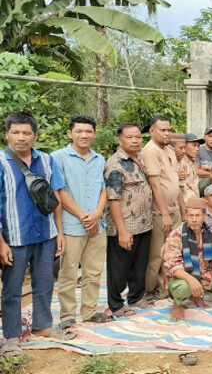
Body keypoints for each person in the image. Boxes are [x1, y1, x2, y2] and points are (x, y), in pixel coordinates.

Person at [0, 112, 66, 355]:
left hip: (46, 233)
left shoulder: (47, 160)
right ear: (7, 135)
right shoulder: (1, 162)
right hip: (14, 237)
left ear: (35, 136)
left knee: (45, 283)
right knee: (12, 288)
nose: (21, 138)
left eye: (26, 133)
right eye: (15, 132)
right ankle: (11, 335)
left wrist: (59, 232)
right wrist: (1, 243)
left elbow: (55, 196)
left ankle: (42, 326)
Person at [52, 115, 109, 328]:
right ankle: (67, 316)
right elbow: (60, 190)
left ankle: (89, 311)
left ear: (94, 134)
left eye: (88, 131)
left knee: (93, 272)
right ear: (70, 134)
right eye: (79, 131)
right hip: (71, 226)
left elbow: (103, 189)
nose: (84, 135)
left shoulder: (99, 159)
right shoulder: (58, 157)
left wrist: (96, 214)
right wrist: (83, 216)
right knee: (68, 273)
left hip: (97, 225)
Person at [104, 123, 154, 318]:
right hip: (125, 226)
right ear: (120, 140)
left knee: (139, 264)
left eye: (137, 137)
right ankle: (116, 304)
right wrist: (122, 231)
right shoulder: (115, 165)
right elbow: (114, 199)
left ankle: (136, 297)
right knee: (119, 268)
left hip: (144, 223)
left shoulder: (139, 158)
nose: (135, 140)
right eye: (130, 137)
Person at [142, 116, 185, 300]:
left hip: (174, 208)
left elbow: (175, 181)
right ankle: (151, 290)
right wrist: (165, 213)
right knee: (157, 254)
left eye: (169, 130)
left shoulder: (168, 149)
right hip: (160, 211)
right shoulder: (150, 151)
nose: (167, 133)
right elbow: (156, 185)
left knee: (173, 251)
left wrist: (181, 208)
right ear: (152, 131)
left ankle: (167, 288)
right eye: (163, 130)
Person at [178, 134, 203, 202]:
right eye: (194, 145)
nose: (197, 149)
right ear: (184, 146)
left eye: (198, 146)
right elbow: (182, 189)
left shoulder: (191, 162)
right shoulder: (181, 163)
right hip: (187, 205)